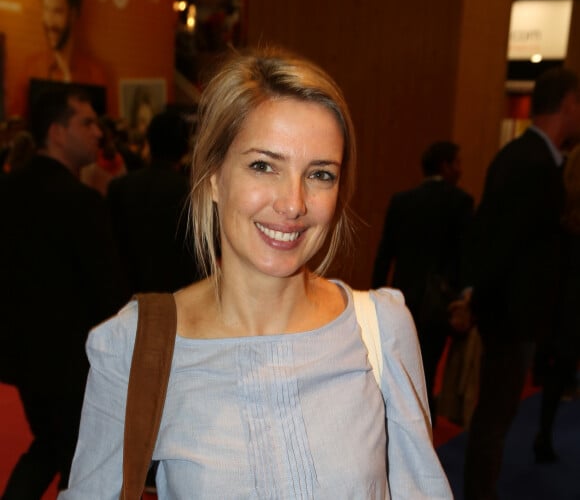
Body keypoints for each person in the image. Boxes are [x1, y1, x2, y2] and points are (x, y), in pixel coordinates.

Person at [60, 46, 452, 498]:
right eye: (263, 166)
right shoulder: (135, 346)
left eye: (320, 174)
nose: (293, 203)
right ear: (213, 178)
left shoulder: (380, 330)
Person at [0, 85, 129, 498]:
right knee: (79, 458)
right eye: (87, 122)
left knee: (54, 448)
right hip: (73, 360)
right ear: (57, 132)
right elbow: (108, 291)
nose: (98, 133)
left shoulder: (7, 191)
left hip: (20, 353)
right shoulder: (81, 201)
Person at [463, 67, 580, 500]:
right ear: (568, 103)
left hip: (514, 317)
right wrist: (477, 298)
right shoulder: (530, 163)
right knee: (493, 422)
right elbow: (499, 243)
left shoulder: (530, 158)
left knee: (496, 420)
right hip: (510, 320)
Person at [371, 140, 474, 422]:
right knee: (427, 369)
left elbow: (384, 254)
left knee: (397, 365)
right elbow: (466, 255)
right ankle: (421, 432)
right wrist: (465, 296)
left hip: (401, 298)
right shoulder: (460, 202)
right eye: (457, 163)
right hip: (439, 302)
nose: (460, 170)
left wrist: (375, 297)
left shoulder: (401, 201)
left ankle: (394, 421)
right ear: (445, 165)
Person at [107, 109, 202, 295]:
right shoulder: (190, 192)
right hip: (179, 298)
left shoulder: (118, 187)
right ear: (185, 147)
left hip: (128, 296)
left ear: (149, 142)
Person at [12, 0, 108, 117]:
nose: (49, 21)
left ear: (73, 13)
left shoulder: (96, 74)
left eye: (57, 11)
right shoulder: (30, 69)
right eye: (46, 9)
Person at [533, 141, 580, 462]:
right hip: (568, 303)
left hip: (562, 303)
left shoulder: (560, 208)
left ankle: (544, 434)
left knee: (558, 371)